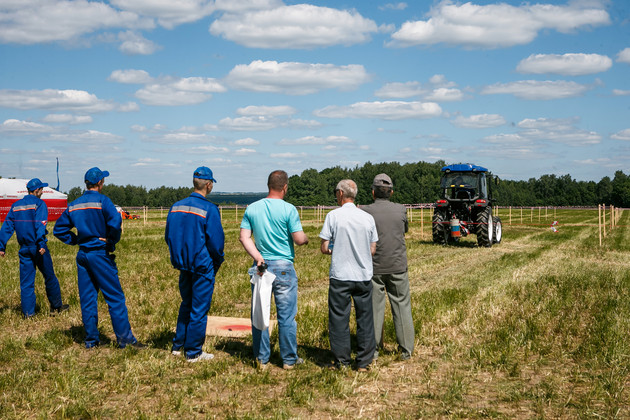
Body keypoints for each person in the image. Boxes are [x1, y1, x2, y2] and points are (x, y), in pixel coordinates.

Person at [53, 167, 143, 349]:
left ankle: (91, 340)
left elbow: (59, 230)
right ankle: (126, 340)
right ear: (100, 182)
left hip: (83, 255)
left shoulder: (74, 204)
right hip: (100, 255)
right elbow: (116, 223)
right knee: (115, 297)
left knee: (87, 299)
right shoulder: (103, 201)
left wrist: (76, 240)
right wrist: (111, 240)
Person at [239, 170, 309, 370]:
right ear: (285, 187)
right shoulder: (289, 209)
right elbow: (298, 238)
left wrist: (258, 257)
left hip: (261, 267)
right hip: (284, 266)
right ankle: (289, 359)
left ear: (268, 185)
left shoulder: (252, 208)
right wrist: (306, 239)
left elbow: (244, 237)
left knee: (260, 313)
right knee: (286, 316)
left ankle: (262, 359)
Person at [165, 166, 225, 362]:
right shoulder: (209, 209)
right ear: (208, 185)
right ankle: (193, 352)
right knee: (199, 308)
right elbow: (216, 243)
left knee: (186, 304)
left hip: (183, 264)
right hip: (202, 265)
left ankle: (178, 345)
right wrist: (217, 260)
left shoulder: (176, 206)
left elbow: (168, 236)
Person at [319, 179, 378, 371]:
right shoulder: (367, 218)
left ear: (341, 194)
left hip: (341, 275)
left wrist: (333, 249)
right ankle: (364, 361)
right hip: (363, 275)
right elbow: (373, 249)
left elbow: (324, 247)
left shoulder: (333, 216)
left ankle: (342, 361)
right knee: (365, 319)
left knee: (339, 319)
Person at [362, 174, 415, 361]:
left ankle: (374, 350)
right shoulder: (401, 210)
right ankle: (406, 350)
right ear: (391, 192)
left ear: (373, 192)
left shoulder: (365, 211)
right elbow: (404, 230)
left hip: (374, 268)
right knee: (402, 306)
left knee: (374, 309)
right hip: (397, 265)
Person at [0, 178, 69, 318]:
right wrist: (41, 243)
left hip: (24, 249)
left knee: (26, 283)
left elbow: (6, 227)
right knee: (49, 277)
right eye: (41, 189)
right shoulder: (40, 204)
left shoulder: (15, 206)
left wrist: (1, 246)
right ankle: (56, 307)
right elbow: (40, 224)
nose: (42, 192)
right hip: (38, 247)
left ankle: (28, 313)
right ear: (36, 190)